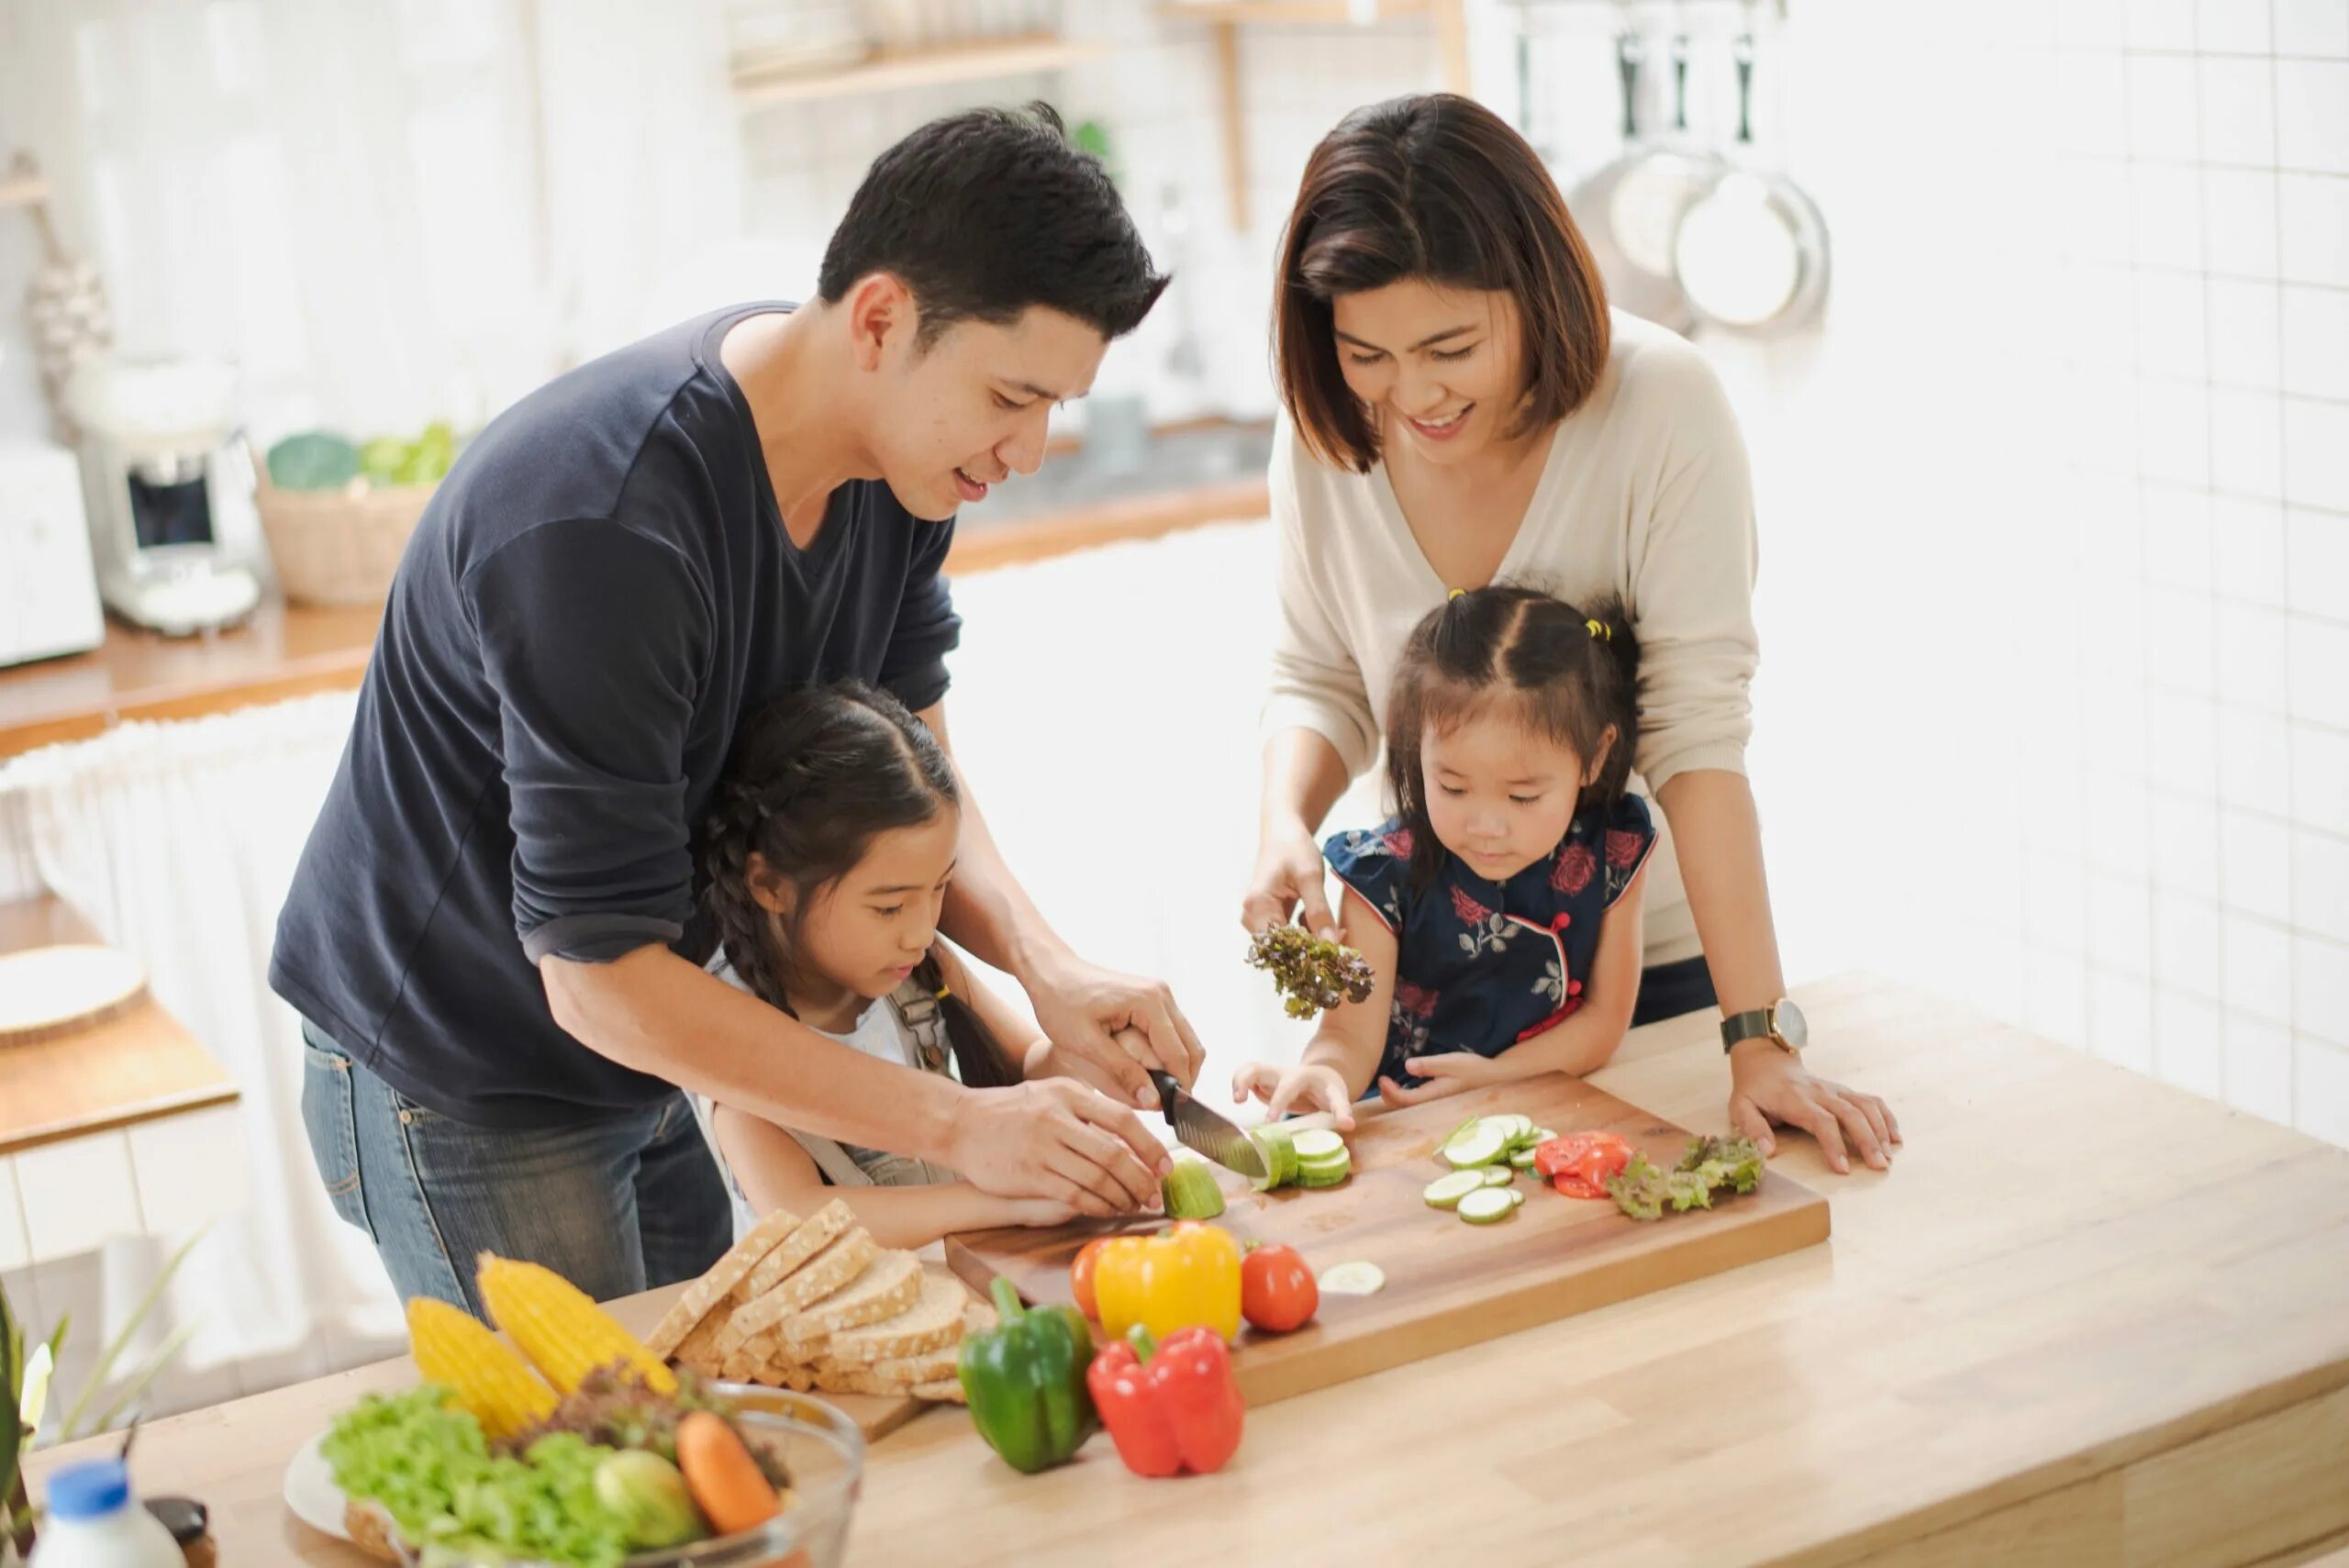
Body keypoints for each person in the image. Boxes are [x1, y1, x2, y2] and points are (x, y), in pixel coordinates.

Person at [279, 105, 1201, 1318]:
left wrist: (1048, 971)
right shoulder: (602, 528)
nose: (1026, 450)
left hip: (672, 1022)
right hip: (473, 1061)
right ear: (880, 318)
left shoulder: (903, 466)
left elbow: (921, 770)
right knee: (596, 1460)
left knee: (708, 1419)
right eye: (1010, 397)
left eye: (1053, 411)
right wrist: (967, 1128)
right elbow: (598, 981)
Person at [1242, 94, 1898, 1173]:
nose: (1411, 394)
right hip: (1415, 980)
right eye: (1367, 354)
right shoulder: (1325, 435)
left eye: (1450, 345)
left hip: (1636, 971)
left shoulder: (1658, 409)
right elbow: (1318, 672)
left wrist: (1759, 1037)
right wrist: (1281, 823)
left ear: (1534, 292)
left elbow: (1694, 734)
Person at [691, 682, 1143, 1251]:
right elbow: (801, 1214)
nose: (922, 930)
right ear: (770, 885)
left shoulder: (918, 967)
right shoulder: (727, 1028)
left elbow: (1030, 1064)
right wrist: (1005, 1202)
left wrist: (1092, 1051)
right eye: (888, 906)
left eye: (941, 889)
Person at [1233, 586, 1653, 1126]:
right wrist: (1321, 1077)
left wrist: (1497, 1078)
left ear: (1594, 757)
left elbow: (1604, 1021)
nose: (1486, 826)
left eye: (1523, 796)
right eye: (1452, 788)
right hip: (1408, 1122)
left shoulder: (1613, 849)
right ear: (1417, 752)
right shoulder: (1381, 876)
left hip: (1547, 1106)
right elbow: (1347, 1036)